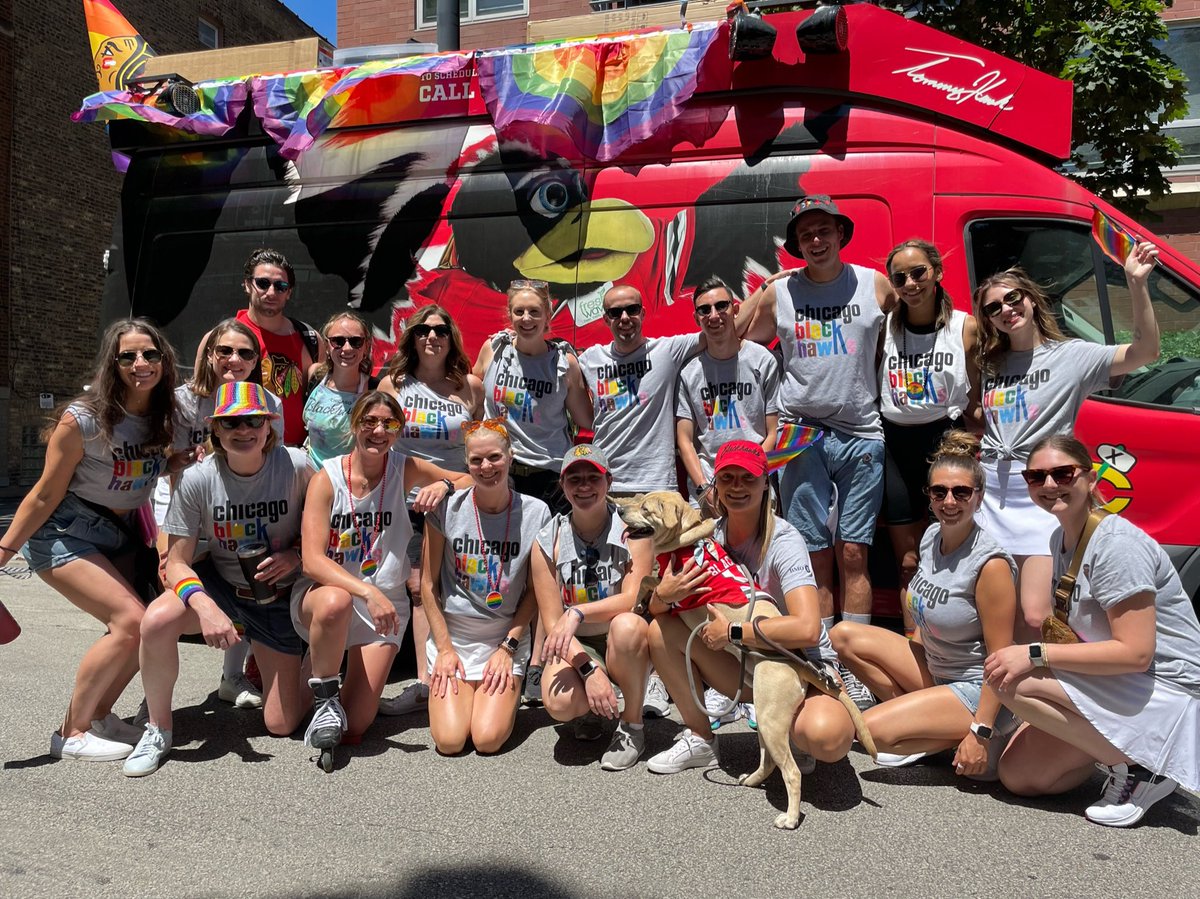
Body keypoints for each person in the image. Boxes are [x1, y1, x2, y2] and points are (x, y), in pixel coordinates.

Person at [985, 434, 1200, 827]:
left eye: (1063, 473)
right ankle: (1117, 751)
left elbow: (1136, 653)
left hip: (1166, 688)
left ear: (1091, 477)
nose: (1050, 485)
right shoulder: (1061, 537)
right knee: (1021, 776)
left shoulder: (1116, 545)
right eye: (1037, 477)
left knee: (1010, 679)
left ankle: (1141, 768)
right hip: (1120, 682)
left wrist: (1034, 654)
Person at [741, 195, 897, 707]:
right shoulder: (781, 294)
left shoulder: (874, 284)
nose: (816, 239)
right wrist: (763, 287)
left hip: (861, 432)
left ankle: (855, 661)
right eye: (806, 233)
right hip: (801, 433)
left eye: (824, 229)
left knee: (855, 551)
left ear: (840, 234)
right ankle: (824, 654)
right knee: (813, 553)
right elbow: (739, 339)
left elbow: (915, 329)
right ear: (796, 245)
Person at [0, 319, 176, 760]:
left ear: (163, 360)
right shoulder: (83, 419)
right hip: (64, 532)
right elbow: (44, 493)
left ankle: (100, 716)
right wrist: (4, 549)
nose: (141, 363)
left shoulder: (165, 416)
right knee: (131, 621)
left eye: (150, 354)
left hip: (120, 536)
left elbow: (150, 472)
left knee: (144, 630)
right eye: (128, 356)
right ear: (112, 365)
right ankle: (71, 733)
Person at [124, 382, 312, 776]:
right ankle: (158, 728)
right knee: (157, 620)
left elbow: (321, 530)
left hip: (276, 598)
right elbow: (176, 562)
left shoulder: (296, 465)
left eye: (252, 421)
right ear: (216, 431)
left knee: (280, 724)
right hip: (224, 589)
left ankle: (309, 664)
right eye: (230, 423)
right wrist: (205, 606)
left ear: (268, 427)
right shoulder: (197, 478)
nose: (243, 431)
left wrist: (294, 555)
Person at [973, 241, 1160, 631]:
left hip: (1042, 491)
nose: (1007, 310)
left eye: (1013, 298)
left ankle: (1056, 684)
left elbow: (1146, 351)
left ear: (1030, 299)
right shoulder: (991, 364)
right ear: (988, 319)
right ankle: (1006, 687)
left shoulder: (1071, 355)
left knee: (1037, 613)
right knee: (996, 611)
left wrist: (1136, 283)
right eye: (994, 308)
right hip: (992, 492)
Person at [644, 441, 853, 776]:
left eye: (748, 478)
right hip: (747, 662)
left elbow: (808, 628)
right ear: (715, 484)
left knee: (826, 737)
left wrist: (732, 631)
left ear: (766, 482)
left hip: (802, 664)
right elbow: (660, 609)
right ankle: (700, 738)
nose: (737, 486)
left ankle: (792, 730)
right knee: (659, 631)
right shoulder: (709, 536)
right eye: (727, 478)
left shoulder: (785, 541)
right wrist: (664, 595)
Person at [291, 391, 471, 760]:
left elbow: (468, 479)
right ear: (354, 425)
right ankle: (323, 685)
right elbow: (311, 561)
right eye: (369, 422)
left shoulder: (405, 468)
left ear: (398, 430)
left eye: (388, 424)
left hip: (386, 607)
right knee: (334, 604)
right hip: (330, 596)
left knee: (356, 725)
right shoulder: (327, 480)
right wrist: (367, 593)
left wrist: (443, 484)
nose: (378, 431)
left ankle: (326, 672)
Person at [831, 431, 1017, 777]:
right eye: (939, 492)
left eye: (961, 492)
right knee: (843, 635)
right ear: (929, 497)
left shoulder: (990, 565)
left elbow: (1000, 664)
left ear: (979, 496)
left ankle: (977, 737)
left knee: (868, 731)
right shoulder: (932, 537)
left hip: (977, 687)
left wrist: (981, 730)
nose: (949, 501)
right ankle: (928, 726)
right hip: (936, 669)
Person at [161, 318, 285, 710]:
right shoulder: (184, 400)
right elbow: (159, 458)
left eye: (245, 352)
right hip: (182, 501)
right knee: (165, 598)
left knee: (246, 578)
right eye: (225, 350)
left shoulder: (268, 401)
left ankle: (232, 676)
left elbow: (273, 454)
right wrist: (181, 459)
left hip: (237, 505)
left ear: (256, 360)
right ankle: (155, 700)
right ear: (209, 354)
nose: (235, 359)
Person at [420, 417, 552, 755]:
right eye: (476, 460)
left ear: (511, 456)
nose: (486, 466)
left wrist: (508, 648)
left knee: (487, 739)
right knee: (449, 742)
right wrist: (446, 650)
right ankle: (470, 690)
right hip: (455, 637)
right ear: (466, 463)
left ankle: (504, 689)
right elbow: (427, 585)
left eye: (494, 457)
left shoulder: (537, 512)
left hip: (504, 636)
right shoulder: (446, 509)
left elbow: (537, 591)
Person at [377, 305, 483, 716]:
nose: (431, 337)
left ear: (451, 336)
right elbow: (377, 442)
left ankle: (462, 667)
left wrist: (445, 483)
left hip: (457, 499)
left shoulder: (470, 387)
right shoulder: (394, 384)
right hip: (406, 502)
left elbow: (481, 453)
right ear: (412, 337)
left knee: (457, 585)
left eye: (440, 330)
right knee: (419, 588)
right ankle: (424, 683)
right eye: (423, 330)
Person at [530, 444, 655, 770]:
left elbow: (633, 599)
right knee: (559, 703)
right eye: (574, 479)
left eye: (592, 477)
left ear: (608, 481)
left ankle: (632, 726)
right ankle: (591, 712)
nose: (584, 486)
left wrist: (578, 611)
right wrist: (588, 670)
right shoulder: (548, 538)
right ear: (563, 485)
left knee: (627, 625)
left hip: (622, 636)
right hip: (575, 642)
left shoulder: (635, 530)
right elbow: (551, 620)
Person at [878, 241, 979, 634]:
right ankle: (914, 646)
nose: (910, 283)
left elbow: (978, 396)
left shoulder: (965, 328)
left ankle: (957, 644)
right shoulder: (883, 326)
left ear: (936, 272)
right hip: (894, 445)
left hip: (946, 442)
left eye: (918, 272)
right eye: (900, 277)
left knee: (956, 552)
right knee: (907, 561)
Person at [473, 279, 593, 513]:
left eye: (534, 312)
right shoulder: (493, 350)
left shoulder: (563, 363)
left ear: (547, 316)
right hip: (498, 474)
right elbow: (471, 396)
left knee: (547, 549)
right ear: (510, 315)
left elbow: (586, 419)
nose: (526, 318)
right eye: (519, 311)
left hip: (548, 478)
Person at [577, 285, 701, 497]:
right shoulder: (590, 359)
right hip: (606, 484)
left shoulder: (667, 351)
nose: (624, 317)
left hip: (657, 485)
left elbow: (723, 331)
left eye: (632, 309)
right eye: (615, 313)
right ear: (606, 320)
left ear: (642, 313)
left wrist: (767, 288)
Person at [197, 248, 319, 446]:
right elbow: (199, 402)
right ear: (247, 284)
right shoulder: (218, 341)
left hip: (293, 456)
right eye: (262, 283)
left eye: (280, 286)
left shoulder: (309, 338)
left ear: (289, 292)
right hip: (240, 455)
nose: (271, 292)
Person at [675, 276, 780, 505]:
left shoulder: (763, 361)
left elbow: (773, 432)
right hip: (709, 487)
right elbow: (684, 440)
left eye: (721, 306)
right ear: (696, 318)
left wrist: (754, 476)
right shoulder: (688, 373)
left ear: (735, 310)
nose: (714, 315)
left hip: (755, 481)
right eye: (705, 310)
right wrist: (704, 489)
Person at [303, 312, 375, 470]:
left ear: (366, 346)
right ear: (327, 346)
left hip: (350, 480)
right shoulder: (314, 377)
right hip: (310, 478)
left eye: (356, 341)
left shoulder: (375, 389)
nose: (347, 348)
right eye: (338, 341)